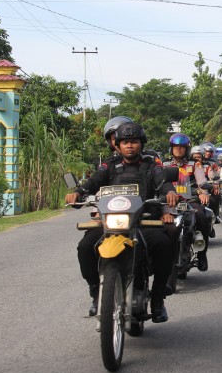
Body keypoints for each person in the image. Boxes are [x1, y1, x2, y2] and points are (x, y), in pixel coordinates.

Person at [66, 122, 179, 323]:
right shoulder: (109, 166)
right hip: (111, 222)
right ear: (117, 145)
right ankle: (95, 293)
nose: (129, 146)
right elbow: (92, 183)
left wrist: (170, 192)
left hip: (143, 221)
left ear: (141, 144)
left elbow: (164, 183)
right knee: (85, 246)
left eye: (134, 142)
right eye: (125, 142)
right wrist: (78, 193)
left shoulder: (151, 166)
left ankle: (158, 299)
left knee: (164, 244)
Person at [163, 133, 213, 271]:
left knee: (202, 216)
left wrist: (204, 193)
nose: (178, 149)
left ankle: (202, 254)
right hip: (168, 202)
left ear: (187, 149)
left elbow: (201, 181)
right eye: (175, 147)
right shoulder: (164, 164)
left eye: (182, 147)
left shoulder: (194, 164)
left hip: (190, 200)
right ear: (171, 148)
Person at [200, 142, 221, 223]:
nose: (208, 153)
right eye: (206, 151)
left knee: (217, 194)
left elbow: (216, 175)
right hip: (195, 185)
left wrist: (216, 184)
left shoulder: (212, 163)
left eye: (210, 152)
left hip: (208, 184)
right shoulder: (193, 163)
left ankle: (215, 215)